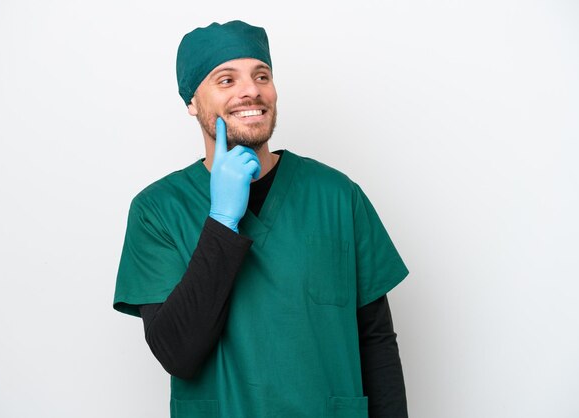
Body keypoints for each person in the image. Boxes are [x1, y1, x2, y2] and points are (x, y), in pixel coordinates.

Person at [114, 20, 410, 418]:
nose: (250, 89)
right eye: (225, 79)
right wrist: (221, 222)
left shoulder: (337, 196)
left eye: (261, 75)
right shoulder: (158, 211)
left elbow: (376, 342)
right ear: (192, 102)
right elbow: (177, 353)